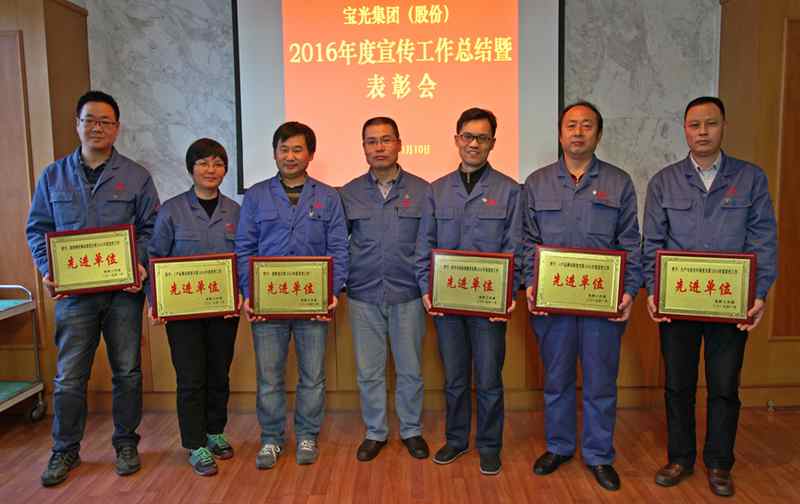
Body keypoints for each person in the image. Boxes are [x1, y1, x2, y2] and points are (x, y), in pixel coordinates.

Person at [643, 96, 778, 498]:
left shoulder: (750, 178)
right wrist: (653, 290)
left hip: (729, 304)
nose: (702, 132)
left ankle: (719, 463)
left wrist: (759, 292)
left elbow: (763, 238)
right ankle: (680, 458)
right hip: (678, 303)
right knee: (678, 386)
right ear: (685, 130)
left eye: (711, 123)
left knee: (724, 387)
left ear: (723, 126)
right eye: (694, 125)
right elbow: (652, 243)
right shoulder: (664, 181)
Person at [26, 90, 160, 486]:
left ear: (117, 128)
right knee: (69, 376)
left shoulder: (136, 176)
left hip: (123, 296)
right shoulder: (53, 176)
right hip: (74, 297)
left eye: (106, 121)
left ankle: (126, 443)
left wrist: (139, 262)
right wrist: (48, 268)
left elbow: (152, 228)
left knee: (128, 372)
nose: (97, 128)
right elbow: (38, 230)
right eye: (90, 120)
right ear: (77, 124)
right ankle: (64, 449)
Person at [523, 101, 641, 492]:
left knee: (600, 381)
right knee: (556, 379)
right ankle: (558, 446)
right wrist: (529, 283)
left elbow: (630, 242)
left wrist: (629, 290)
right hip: (552, 305)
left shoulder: (619, 183)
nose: (578, 132)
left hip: (600, 306)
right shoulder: (537, 183)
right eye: (571, 125)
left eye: (586, 125)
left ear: (598, 134)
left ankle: (599, 454)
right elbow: (526, 240)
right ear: (560, 134)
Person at [235, 121, 348, 469]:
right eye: (283, 149)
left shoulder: (328, 197)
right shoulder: (256, 196)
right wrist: (248, 291)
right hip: (267, 306)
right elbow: (244, 247)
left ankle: (307, 435)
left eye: (298, 149)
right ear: (274, 153)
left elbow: (339, 248)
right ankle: (271, 438)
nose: (290, 156)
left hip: (313, 304)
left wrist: (333, 289)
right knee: (269, 377)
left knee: (312, 376)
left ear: (310, 154)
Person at [416, 107, 520, 475]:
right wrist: (426, 289)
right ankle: (457, 440)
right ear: (457, 139)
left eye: (482, 138)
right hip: (446, 306)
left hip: (490, 306)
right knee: (455, 378)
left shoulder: (510, 191)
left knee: (489, 379)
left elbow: (515, 247)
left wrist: (508, 294)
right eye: (468, 136)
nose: (474, 144)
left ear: (493, 142)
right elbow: (424, 245)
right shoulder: (436, 190)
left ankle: (489, 445)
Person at [147, 138, 241, 476]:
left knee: (219, 373)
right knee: (190, 377)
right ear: (191, 169)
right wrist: (155, 302)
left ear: (225, 169)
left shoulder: (235, 211)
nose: (210, 169)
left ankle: (215, 431)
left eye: (217, 163)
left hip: (223, 310)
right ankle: (194, 443)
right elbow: (155, 256)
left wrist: (242, 293)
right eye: (203, 163)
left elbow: (244, 257)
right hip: (183, 313)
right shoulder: (171, 210)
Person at [340, 117, 430, 462]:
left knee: (410, 369)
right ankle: (375, 432)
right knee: (369, 372)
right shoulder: (348, 193)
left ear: (399, 144)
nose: (379, 147)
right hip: (363, 295)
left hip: (409, 294)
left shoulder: (423, 191)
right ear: (364, 148)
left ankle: (411, 430)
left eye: (386, 140)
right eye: (372, 141)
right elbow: (339, 243)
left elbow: (429, 244)